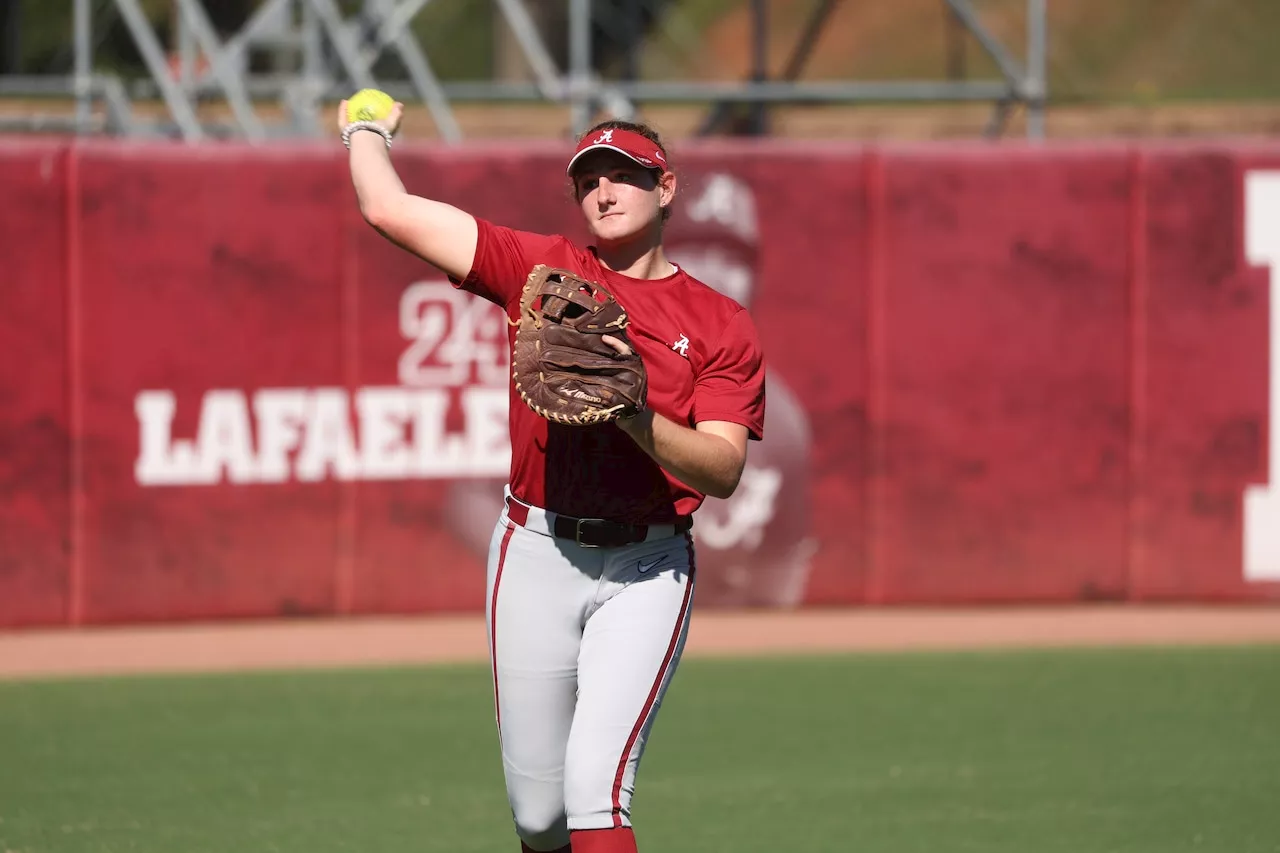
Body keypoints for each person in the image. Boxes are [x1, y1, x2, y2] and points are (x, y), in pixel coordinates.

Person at [340, 101, 766, 853]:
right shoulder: (542, 273)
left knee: (596, 793)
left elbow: (725, 468)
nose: (605, 192)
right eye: (589, 180)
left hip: (648, 565)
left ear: (665, 187)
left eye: (624, 176)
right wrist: (364, 130)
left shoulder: (721, 321)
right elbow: (386, 208)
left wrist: (635, 415)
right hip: (535, 551)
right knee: (540, 819)